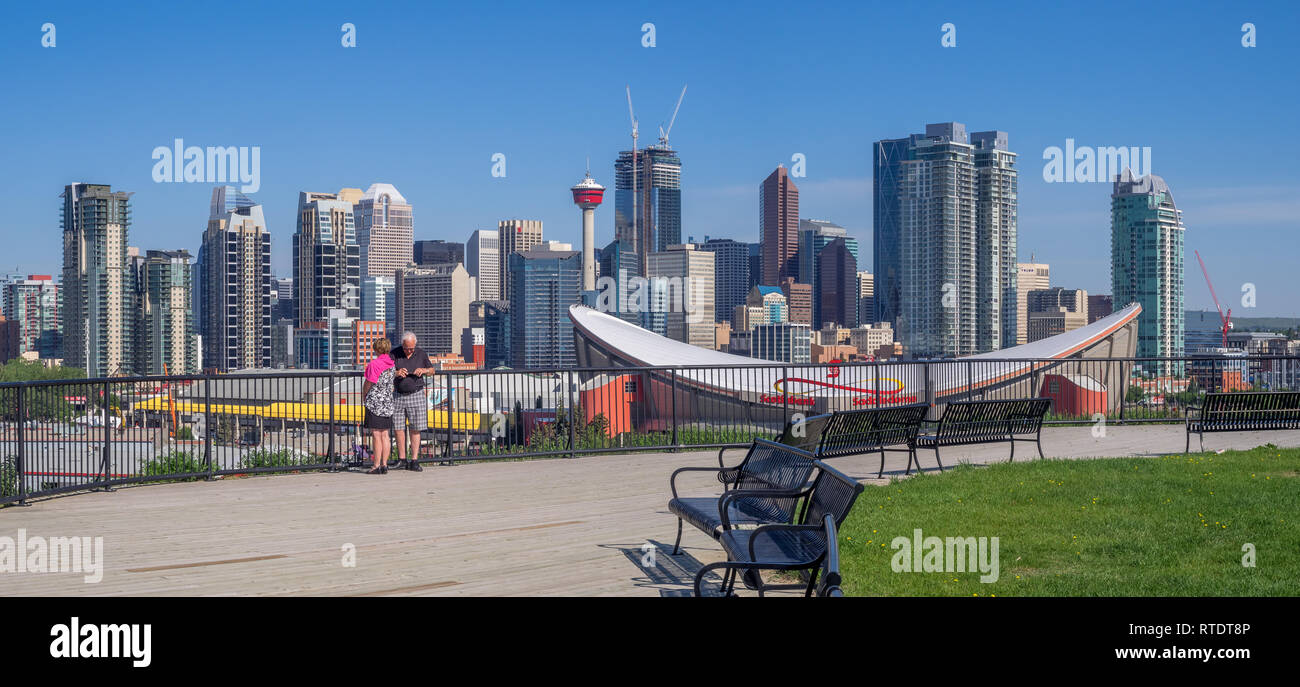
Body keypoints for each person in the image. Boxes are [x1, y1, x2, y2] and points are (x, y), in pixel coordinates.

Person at [389, 331, 434, 471]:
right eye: (406, 348)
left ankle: (414, 460)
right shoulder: (394, 353)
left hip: (416, 393)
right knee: (398, 428)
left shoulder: (421, 353)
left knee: (416, 428)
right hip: (398, 394)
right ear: (402, 345)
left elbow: (433, 370)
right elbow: (385, 370)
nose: (409, 351)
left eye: (411, 348)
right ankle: (402, 459)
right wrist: (395, 373)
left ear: (415, 345)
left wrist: (424, 370)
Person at [361, 338, 396, 475]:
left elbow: (369, 383)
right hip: (387, 402)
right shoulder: (391, 364)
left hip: (375, 402)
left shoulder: (374, 364)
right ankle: (384, 464)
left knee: (376, 434)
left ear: (376, 349)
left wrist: (364, 394)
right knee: (385, 435)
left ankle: (376, 465)